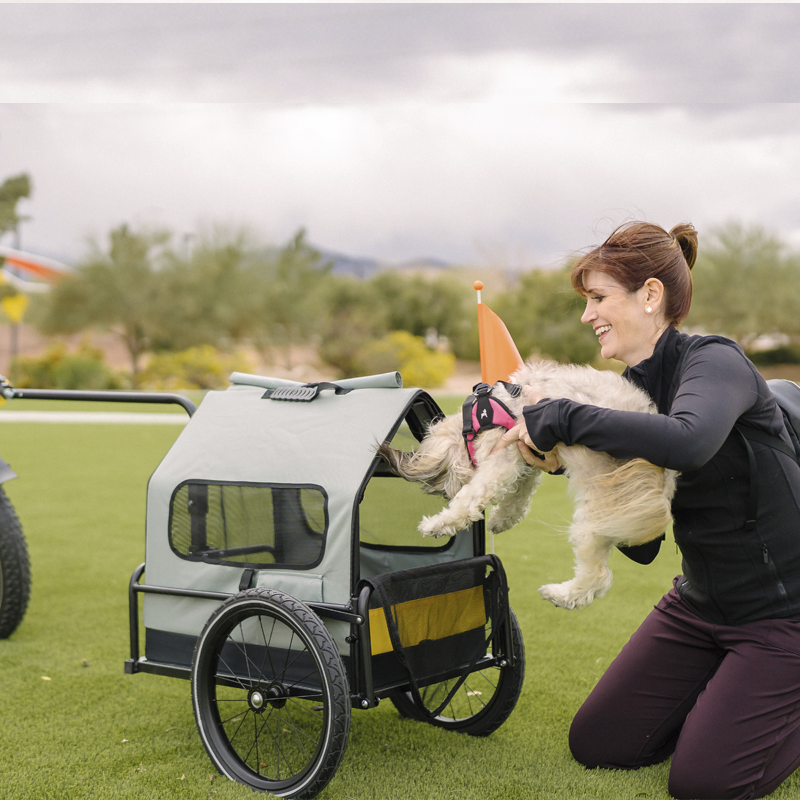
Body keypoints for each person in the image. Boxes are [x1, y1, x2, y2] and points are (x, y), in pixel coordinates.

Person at [494, 221, 800, 800]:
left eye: (599, 298)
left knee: (704, 785)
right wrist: (575, 468)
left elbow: (687, 441)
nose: (588, 316)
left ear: (651, 296)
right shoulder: (629, 396)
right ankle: (733, 692)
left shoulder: (716, 363)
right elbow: (646, 545)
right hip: (701, 606)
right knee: (600, 743)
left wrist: (563, 416)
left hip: (784, 618)